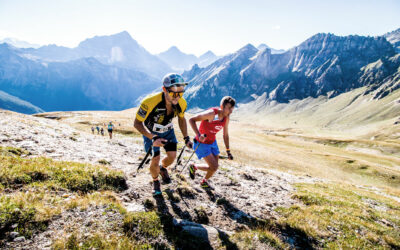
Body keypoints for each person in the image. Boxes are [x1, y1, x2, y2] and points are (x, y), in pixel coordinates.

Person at [134, 73, 193, 197]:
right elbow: (137, 123)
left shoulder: (182, 103)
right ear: (164, 90)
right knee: (155, 158)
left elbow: (182, 119)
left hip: (168, 131)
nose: (177, 97)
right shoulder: (149, 102)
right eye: (173, 93)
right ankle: (155, 182)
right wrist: (153, 137)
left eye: (180, 93)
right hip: (152, 132)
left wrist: (186, 137)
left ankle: (163, 168)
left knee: (172, 157)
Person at [188, 96, 235, 189]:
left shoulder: (226, 118)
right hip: (201, 143)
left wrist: (228, 151)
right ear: (222, 106)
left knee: (214, 167)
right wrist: (198, 135)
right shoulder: (211, 114)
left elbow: (225, 135)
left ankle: (195, 169)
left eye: (232, 109)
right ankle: (202, 180)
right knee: (213, 167)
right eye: (229, 108)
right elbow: (191, 120)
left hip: (212, 142)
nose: (231, 111)